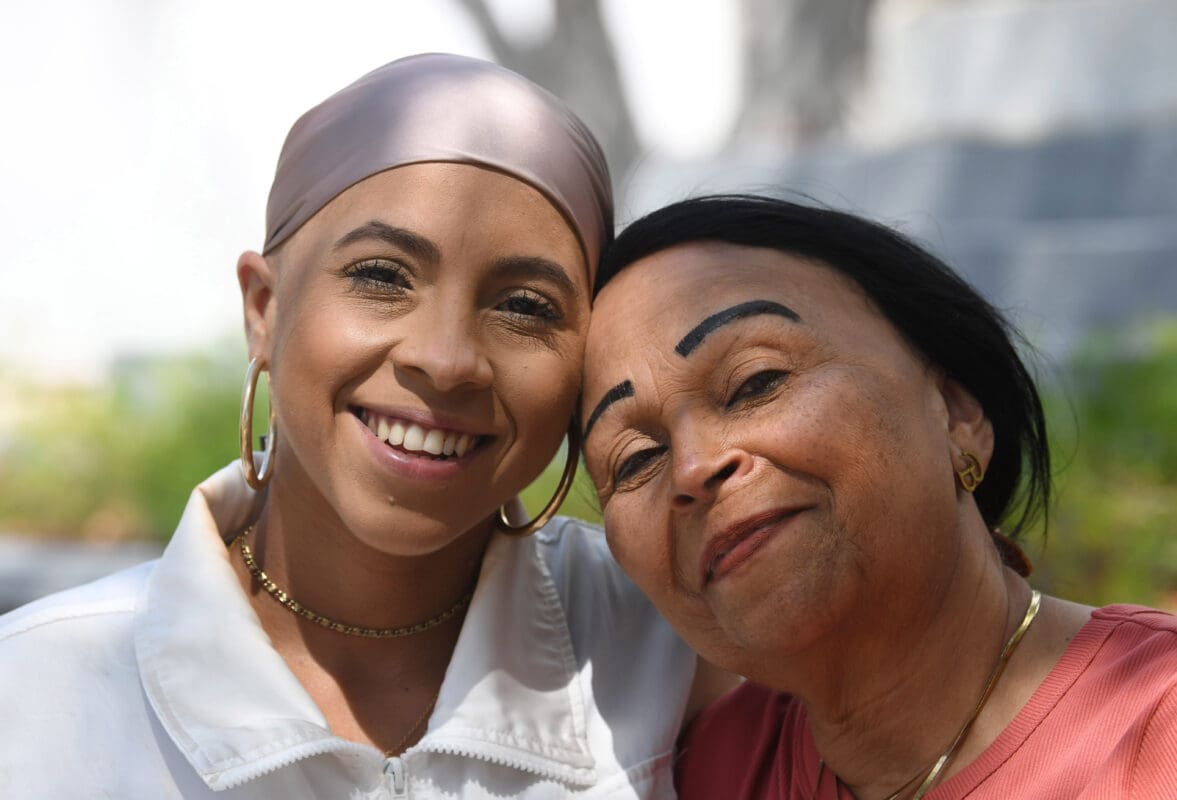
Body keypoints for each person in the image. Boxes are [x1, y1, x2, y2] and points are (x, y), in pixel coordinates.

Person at [0, 54, 717, 799]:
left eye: (525, 307)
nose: (445, 362)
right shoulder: (37, 698)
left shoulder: (677, 648)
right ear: (263, 310)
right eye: (381, 276)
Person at [578, 195, 1177, 799]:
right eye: (636, 459)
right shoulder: (699, 775)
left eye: (757, 381)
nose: (693, 468)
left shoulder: (1157, 727)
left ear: (958, 413)